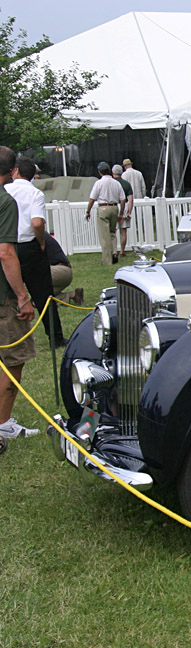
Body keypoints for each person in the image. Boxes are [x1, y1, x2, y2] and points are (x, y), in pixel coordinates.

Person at [0, 146, 39, 439]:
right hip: (3, 297)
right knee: (13, 359)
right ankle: (3, 425)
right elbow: (5, 253)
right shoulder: (5, 201)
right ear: (13, 172)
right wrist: (23, 297)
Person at [7, 157, 64, 346]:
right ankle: (55, 337)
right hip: (29, 245)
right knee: (43, 293)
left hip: (8, 245)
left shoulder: (5, 191)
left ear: (15, 171)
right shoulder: (35, 193)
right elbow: (37, 222)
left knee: (8, 293)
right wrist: (41, 242)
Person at [84, 162, 125, 265]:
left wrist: (88, 211)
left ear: (99, 172)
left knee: (104, 236)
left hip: (103, 208)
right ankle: (114, 252)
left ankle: (107, 260)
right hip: (114, 207)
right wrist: (121, 213)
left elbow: (92, 198)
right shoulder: (116, 183)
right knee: (112, 233)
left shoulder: (99, 183)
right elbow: (123, 199)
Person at [45, 233, 81, 305]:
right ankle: (73, 294)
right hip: (62, 271)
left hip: (58, 271)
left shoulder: (34, 237)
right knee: (37, 301)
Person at [112, 164, 134, 260]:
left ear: (113, 172)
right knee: (123, 231)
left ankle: (114, 251)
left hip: (113, 206)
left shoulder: (111, 183)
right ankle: (122, 251)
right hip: (123, 206)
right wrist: (129, 211)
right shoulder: (126, 184)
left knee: (113, 231)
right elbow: (131, 199)